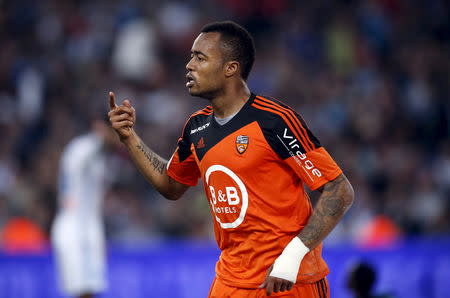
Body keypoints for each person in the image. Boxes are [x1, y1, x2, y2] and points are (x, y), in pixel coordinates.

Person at [108, 21, 354, 297]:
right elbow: (171, 184)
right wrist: (130, 138)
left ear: (230, 68)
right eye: (191, 57)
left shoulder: (274, 120)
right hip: (230, 282)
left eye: (200, 57)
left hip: (288, 279)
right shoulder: (196, 127)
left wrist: (292, 256)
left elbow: (339, 189)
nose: (189, 65)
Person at [51, 117, 118, 298]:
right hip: (72, 228)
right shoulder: (82, 148)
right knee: (80, 290)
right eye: (113, 130)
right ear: (99, 127)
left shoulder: (103, 159)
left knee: (92, 289)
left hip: (89, 229)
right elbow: (94, 146)